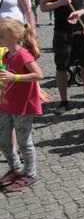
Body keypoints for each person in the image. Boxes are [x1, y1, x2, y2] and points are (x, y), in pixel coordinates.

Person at [0, 18, 43, 193]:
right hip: (6, 104)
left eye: (1, 35)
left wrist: (15, 78)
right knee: (3, 140)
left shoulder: (23, 54)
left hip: (23, 106)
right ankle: (16, 168)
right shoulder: (5, 54)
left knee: (24, 142)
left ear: (14, 37)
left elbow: (38, 75)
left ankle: (30, 174)